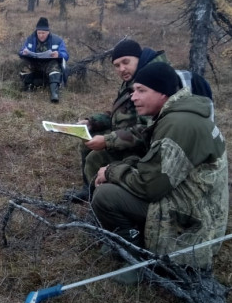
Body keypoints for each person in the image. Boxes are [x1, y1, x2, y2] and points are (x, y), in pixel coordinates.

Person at [92, 62, 228, 282]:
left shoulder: (178, 124)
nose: (134, 97)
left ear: (164, 93)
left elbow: (150, 187)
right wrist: (122, 167)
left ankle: (138, 258)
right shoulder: (182, 114)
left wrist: (111, 172)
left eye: (141, 91)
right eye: (134, 90)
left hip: (193, 223)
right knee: (120, 173)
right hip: (198, 206)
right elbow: (157, 164)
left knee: (105, 196)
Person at [66, 39, 170, 203]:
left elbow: (147, 130)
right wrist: (91, 122)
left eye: (125, 62)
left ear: (138, 58)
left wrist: (108, 141)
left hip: (147, 148)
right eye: (117, 65)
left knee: (96, 157)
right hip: (128, 138)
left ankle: (100, 204)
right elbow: (119, 114)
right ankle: (89, 189)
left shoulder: (150, 82)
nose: (122, 69)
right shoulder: (132, 80)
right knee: (89, 137)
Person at [18, 17, 69, 103]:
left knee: (54, 65)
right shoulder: (30, 39)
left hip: (49, 65)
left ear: (48, 32)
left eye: (43, 33)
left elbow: (66, 55)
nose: (41, 35)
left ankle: (54, 94)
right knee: (24, 64)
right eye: (39, 33)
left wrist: (59, 54)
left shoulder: (58, 40)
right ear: (36, 32)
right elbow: (21, 51)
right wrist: (23, 52)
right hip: (34, 63)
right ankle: (27, 87)